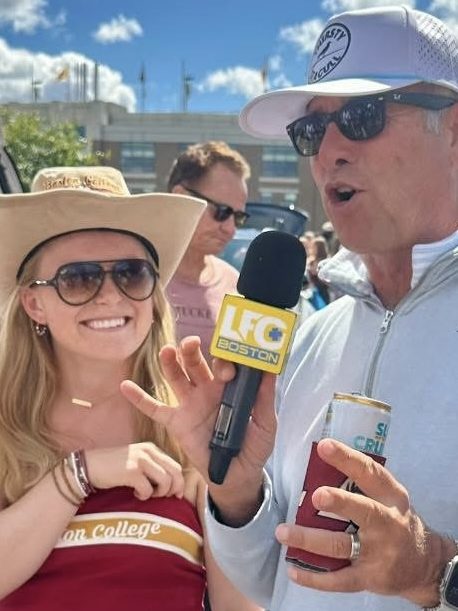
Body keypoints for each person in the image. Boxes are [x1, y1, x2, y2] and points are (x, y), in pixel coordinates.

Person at [121, 5, 458, 611]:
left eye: (361, 117)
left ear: (454, 129)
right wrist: (238, 491)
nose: (327, 153)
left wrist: (438, 572)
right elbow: (274, 579)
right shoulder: (308, 335)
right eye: (311, 131)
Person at [0, 166, 262, 611]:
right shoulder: (6, 429)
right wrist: (77, 476)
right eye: (78, 278)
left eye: (132, 273)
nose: (110, 295)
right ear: (34, 303)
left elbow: (240, 605)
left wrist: (237, 489)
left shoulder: (189, 430)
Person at [166, 141, 250, 363]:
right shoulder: (132, 276)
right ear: (181, 197)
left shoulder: (234, 285)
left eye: (239, 217)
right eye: (222, 212)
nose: (231, 229)